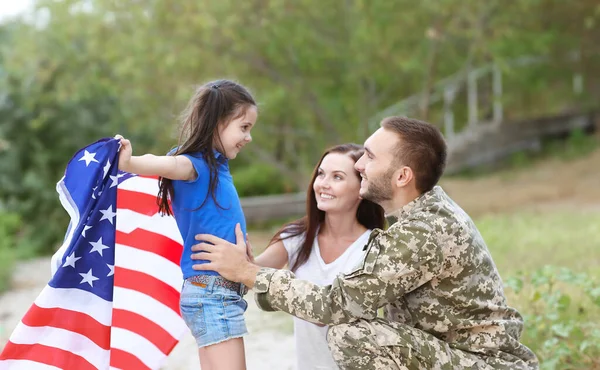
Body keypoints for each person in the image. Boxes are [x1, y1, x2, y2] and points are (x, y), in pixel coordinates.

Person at [189, 116, 540, 369]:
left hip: (484, 364)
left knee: (352, 335)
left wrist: (250, 272)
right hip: (457, 357)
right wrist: (252, 271)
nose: (360, 163)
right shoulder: (419, 218)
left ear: (403, 176)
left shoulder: (423, 233)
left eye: (370, 157)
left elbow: (335, 305)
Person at [116, 79, 257, 370]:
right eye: (244, 127)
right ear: (218, 122)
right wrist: (130, 163)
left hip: (219, 292)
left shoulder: (218, 166)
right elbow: (167, 165)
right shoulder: (194, 164)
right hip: (212, 293)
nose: (249, 137)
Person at [249, 143, 385, 369]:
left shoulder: (374, 248)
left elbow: (326, 313)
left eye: (337, 177)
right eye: (321, 174)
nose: (323, 184)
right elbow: (250, 273)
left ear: (362, 188)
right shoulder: (297, 238)